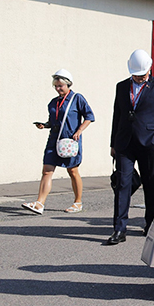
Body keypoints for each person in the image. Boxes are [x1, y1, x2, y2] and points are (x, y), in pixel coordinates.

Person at [105, 50, 154, 244]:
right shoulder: (121, 87)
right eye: (135, 74)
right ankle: (119, 229)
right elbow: (116, 115)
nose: (138, 77)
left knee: (150, 185)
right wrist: (113, 143)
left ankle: (149, 223)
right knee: (122, 184)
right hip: (124, 143)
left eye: (142, 74)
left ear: (149, 69)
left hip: (148, 143)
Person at [24, 69, 94, 215]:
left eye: (60, 86)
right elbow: (54, 121)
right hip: (54, 140)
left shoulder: (77, 98)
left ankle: (78, 202)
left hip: (70, 140)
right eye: (55, 86)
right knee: (47, 171)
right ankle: (39, 203)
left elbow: (89, 116)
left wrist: (79, 131)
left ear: (68, 84)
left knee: (73, 171)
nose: (57, 88)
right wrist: (45, 125)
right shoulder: (53, 102)